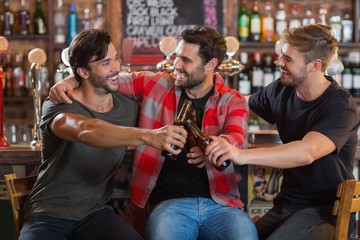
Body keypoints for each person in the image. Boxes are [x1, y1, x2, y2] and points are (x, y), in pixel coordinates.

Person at [49, 26, 257, 240]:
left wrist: (218, 147)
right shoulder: (157, 83)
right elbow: (104, 77)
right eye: (177, 56)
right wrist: (69, 80)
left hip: (221, 204)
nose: (176, 64)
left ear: (211, 64)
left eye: (185, 60)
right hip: (169, 205)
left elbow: (237, 139)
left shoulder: (233, 99)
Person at [19, 29, 188, 240]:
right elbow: (84, 130)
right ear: (83, 72)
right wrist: (148, 136)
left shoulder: (129, 108)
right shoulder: (60, 103)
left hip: (96, 214)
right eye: (105, 63)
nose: (116, 67)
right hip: (49, 213)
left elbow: (180, 93)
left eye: (115, 59)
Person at [206, 23, 360, 240]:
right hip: (288, 203)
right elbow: (240, 106)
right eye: (281, 56)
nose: (278, 62)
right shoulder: (281, 89)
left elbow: (307, 152)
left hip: (327, 210)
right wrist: (206, 97)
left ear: (314, 65)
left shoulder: (340, 105)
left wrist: (239, 154)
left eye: (288, 59)